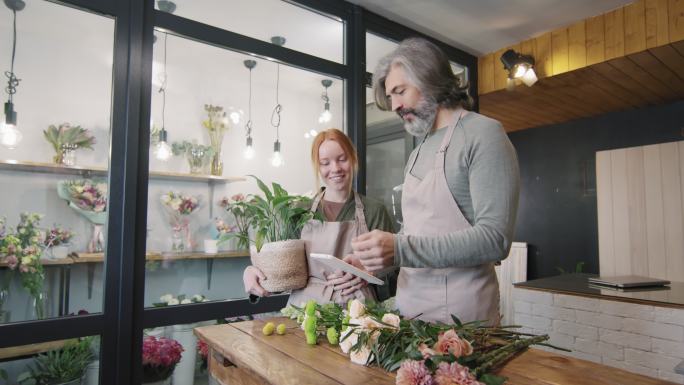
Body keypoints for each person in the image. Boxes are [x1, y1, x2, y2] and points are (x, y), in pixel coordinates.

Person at [351, 38, 520, 325]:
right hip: (410, 309)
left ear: (427, 78)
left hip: (462, 319)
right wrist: (376, 262)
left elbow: (495, 239)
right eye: (391, 97)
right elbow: (417, 233)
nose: (394, 105)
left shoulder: (484, 134)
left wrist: (400, 249)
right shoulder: (417, 152)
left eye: (399, 91)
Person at [243, 128, 395, 305]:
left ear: (353, 159)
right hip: (305, 309)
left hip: (358, 312)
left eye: (342, 159)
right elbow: (282, 269)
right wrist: (250, 271)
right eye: (325, 163)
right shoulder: (300, 211)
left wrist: (369, 274)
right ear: (317, 166)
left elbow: (392, 269)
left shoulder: (374, 211)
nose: (335, 168)